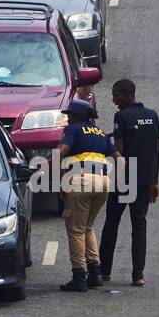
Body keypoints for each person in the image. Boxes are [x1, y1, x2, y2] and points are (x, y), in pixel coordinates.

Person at [99, 79, 159, 287]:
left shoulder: (121, 116)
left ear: (127, 94)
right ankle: (138, 275)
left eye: (116, 95)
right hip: (144, 179)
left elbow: (120, 151)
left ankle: (105, 270)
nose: (114, 100)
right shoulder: (152, 116)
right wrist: (154, 181)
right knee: (139, 225)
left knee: (111, 224)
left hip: (124, 179)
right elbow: (157, 150)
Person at [56, 99, 115, 292]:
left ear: (77, 116)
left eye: (69, 115)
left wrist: (62, 180)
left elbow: (60, 153)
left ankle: (79, 277)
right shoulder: (101, 133)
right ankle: (95, 272)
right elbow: (119, 158)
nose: (67, 119)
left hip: (81, 180)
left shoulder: (73, 130)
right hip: (103, 182)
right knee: (87, 227)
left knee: (75, 230)